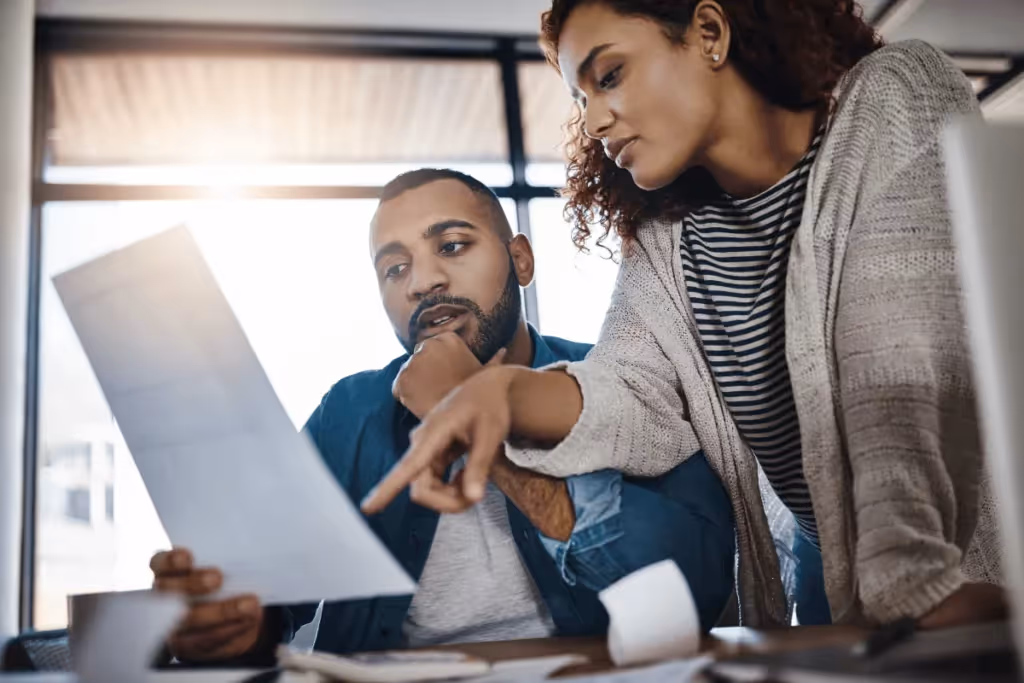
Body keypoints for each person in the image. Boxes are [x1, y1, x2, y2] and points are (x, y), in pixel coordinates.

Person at [362, 2, 1005, 629]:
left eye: (608, 76)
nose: (592, 124)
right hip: (831, 568)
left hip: (962, 568)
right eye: (580, 100)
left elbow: (896, 360)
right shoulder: (670, 237)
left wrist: (906, 575)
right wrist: (503, 392)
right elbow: (628, 387)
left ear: (709, 31)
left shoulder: (895, 92)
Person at [150, 169, 735, 664]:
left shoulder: (621, 380)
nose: (423, 282)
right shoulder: (348, 413)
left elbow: (693, 594)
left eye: (452, 246)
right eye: (394, 269)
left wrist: (477, 411)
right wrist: (225, 625)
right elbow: (267, 612)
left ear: (521, 261)